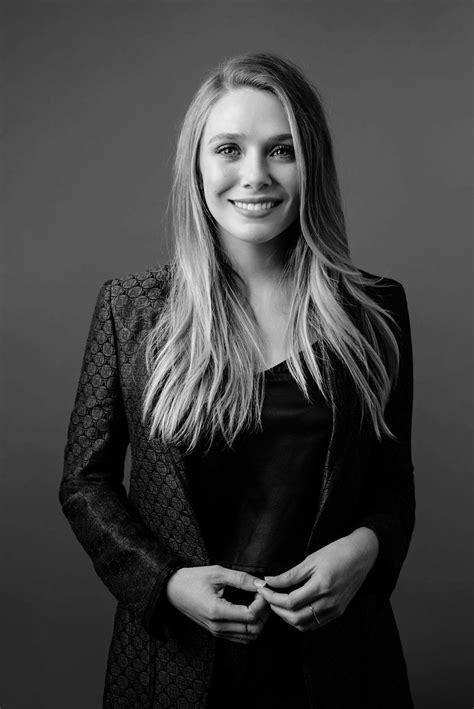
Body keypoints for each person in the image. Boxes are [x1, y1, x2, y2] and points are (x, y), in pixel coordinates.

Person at [59, 52, 415, 708]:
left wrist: (364, 549)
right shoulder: (132, 307)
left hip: (337, 664)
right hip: (178, 665)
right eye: (229, 148)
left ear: (312, 163)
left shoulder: (374, 309)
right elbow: (86, 482)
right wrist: (166, 583)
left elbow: (391, 482)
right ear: (196, 163)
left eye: (282, 149)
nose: (255, 175)